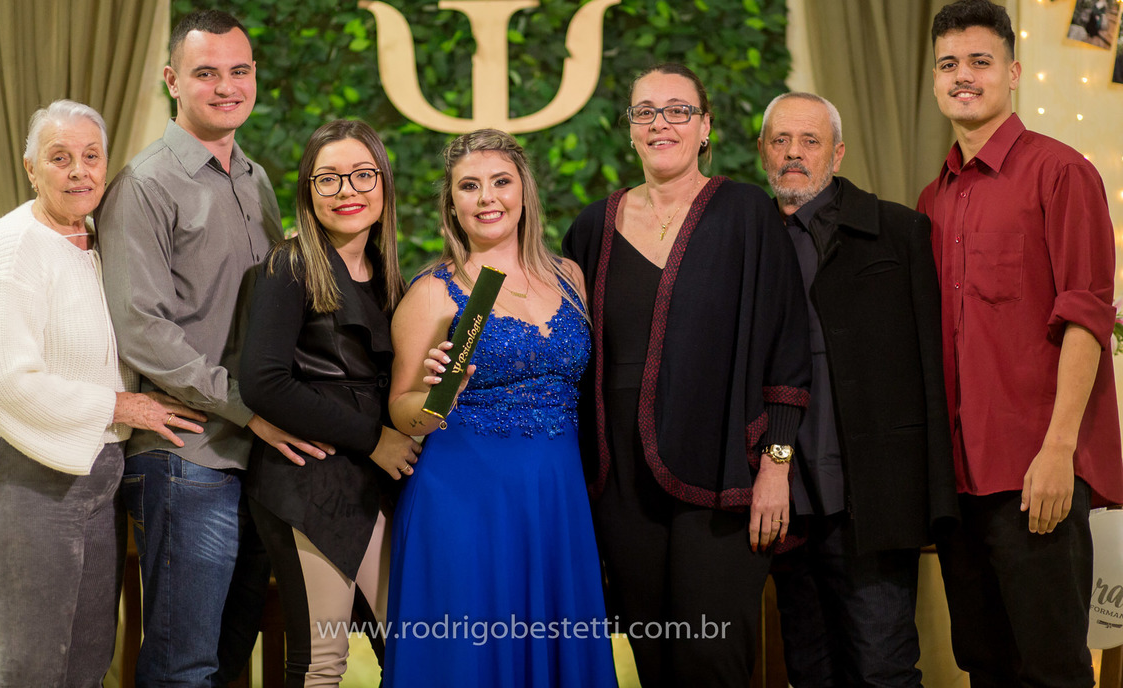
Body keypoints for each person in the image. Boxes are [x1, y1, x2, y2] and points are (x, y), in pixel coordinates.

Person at [562, 63, 812, 685]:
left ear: (705, 127)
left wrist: (776, 467)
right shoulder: (591, 228)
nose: (661, 124)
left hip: (724, 476)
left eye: (678, 110)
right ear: (630, 129)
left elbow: (787, 350)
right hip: (621, 487)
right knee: (655, 661)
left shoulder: (747, 214)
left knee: (711, 660)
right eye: (645, 112)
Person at [98, 10, 324, 686]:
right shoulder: (145, 185)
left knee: (226, 664)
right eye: (206, 73)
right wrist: (250, 408)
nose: (226, 87)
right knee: (184, 666)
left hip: (253, 456)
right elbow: (142, 326)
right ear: (172, 81)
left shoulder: (255, 179)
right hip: (187, 456)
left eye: (239, 71)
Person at [0, 100, 205, 687]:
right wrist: (121, 405)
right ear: (31, 169)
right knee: (32, 668)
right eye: (60, 158)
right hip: (29, 472)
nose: (79, 171)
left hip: (100, 469)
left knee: (89, 662)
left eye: (91, 156)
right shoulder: (15, 242)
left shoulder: (100, 242)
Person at [918, 0, 1123, 686]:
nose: (963, 76)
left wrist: (1059, 451)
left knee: (1053, 670)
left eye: (980, 61)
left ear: (1013, 73)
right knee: (983, 666)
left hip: (1037, 473)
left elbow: (1087, 318)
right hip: (958, 483)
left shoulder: (1060, 173)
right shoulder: (931, 201)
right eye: (948, 64)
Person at [384, 129, 617, 687]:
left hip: (557, 498)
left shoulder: (570, 277)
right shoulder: (432, 292)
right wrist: (439, 398)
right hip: (465, 500)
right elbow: (400, 410)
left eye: (500, 182)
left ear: (524, 192)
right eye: (469, 186)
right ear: (452, 205)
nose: (487, 197)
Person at [757, 92, 958, 687]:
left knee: (881, 669)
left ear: (838, 153)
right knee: (809, 670)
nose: (794, 153)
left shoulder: (897, 230)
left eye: (810, 141)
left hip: (873, 497)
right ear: (763, 151)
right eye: (781, 141)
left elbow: (932, 369)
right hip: (783, 501)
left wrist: (935, 498)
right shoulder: (747, 240)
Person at [239, 119, 421, 686]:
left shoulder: (391, 277)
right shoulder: (288, 266)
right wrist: (375, 439)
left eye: (363, 175)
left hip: (373, 479)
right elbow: (263, 383)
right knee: (322, 661)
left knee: (414, 650)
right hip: (310, 483)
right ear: (308, 191)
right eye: (329, 178)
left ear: (384, 184)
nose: (347, 191)